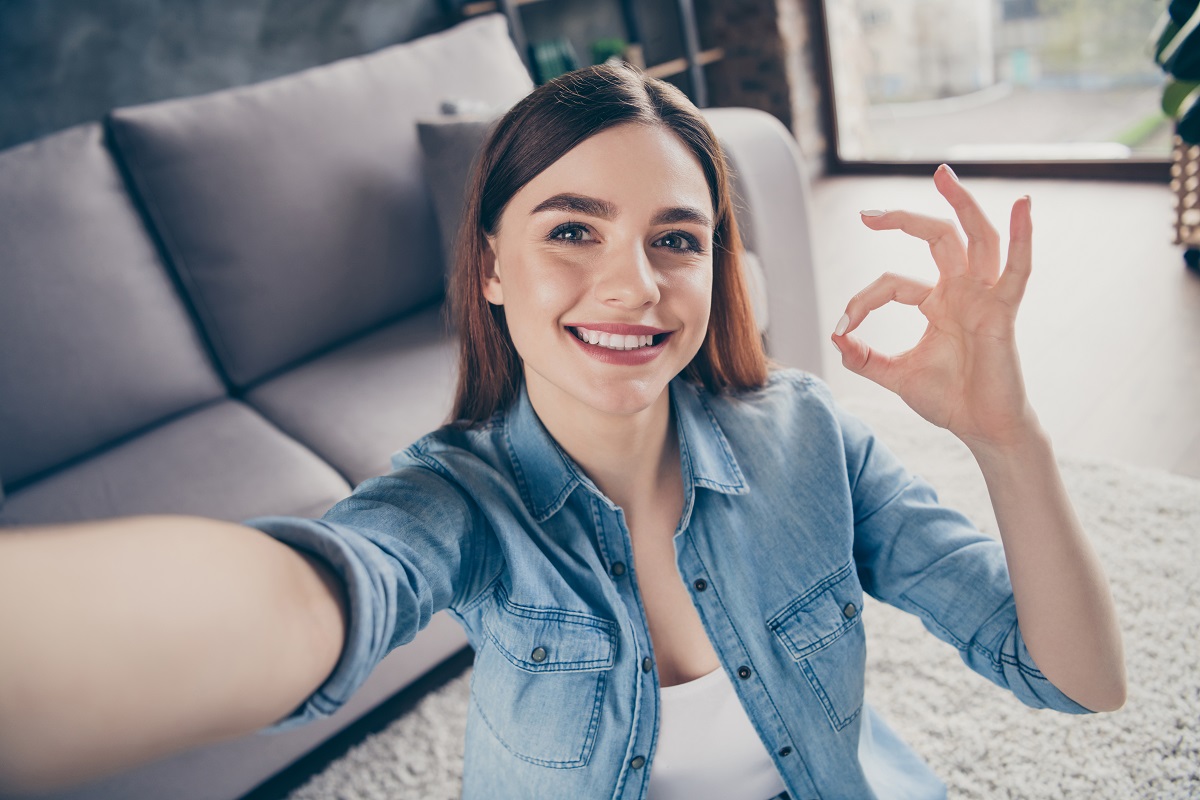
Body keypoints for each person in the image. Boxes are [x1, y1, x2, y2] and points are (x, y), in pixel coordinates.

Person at [0, 62, 1124, 800]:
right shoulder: (458, 499)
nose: (630, 284)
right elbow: (319, 592)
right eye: (573, 228)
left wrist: (1007, 434)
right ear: (491, 263)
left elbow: (1077, 680)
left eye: (675, 240)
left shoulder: (809, 437)